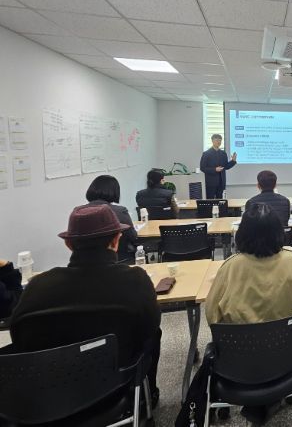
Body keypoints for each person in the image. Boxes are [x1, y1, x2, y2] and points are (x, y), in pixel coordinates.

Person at [9, 205, 162, 403]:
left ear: (69, 244)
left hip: (48, 397)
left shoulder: (37, 286)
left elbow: (18, 335)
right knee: (154, 335)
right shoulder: (135, 280)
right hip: (116, 385)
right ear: (116, 240)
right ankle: (148, 398)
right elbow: (150, 325)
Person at [205, 203, 292, 424]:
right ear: (279, 232)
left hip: (239, 365)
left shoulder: (230, 267)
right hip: (285, 358)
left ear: (242, 234)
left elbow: (212, 317)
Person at [85, 174, 138, 262]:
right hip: (119, 259)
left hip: (88, 262)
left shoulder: (79, 212)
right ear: (115, 191)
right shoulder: (120, 211)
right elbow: (133, 236)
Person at [200, 133, 237, 199]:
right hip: (210, 183)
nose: (218, 142)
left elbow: (226, 166)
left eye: (220, 140)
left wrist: (233, 161)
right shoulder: (206, 153)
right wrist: (214, 169)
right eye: (217, 140)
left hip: (221, 182)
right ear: (212, 141)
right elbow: (202, 168)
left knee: (221, 201)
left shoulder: (223, 153)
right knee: (210, 201)